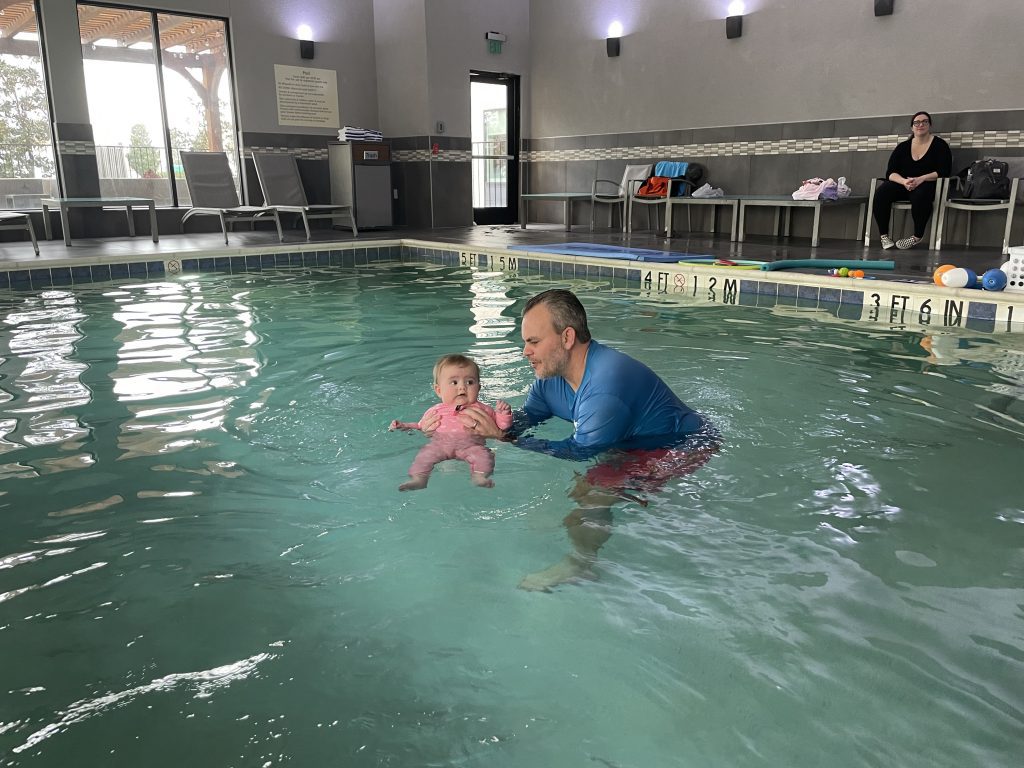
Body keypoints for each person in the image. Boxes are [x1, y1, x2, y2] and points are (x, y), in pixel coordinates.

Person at [453, 289, 719, 590]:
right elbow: (528, 419)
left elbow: (579, 451)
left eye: (534, 342)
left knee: (591, 492)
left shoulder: (605, 387)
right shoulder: (549, 380)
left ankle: (581, 566)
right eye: (525, 342)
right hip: (630, 441)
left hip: (681, 445)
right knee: (587, 487)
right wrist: (478, 429)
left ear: (567, 338)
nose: (525, 352)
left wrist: (506, 440)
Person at [390, 353, 512, 491]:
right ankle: (419, 479)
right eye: (454, 382)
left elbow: (501, 427)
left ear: (479, 388)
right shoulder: (435, 410)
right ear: (438, 390)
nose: (462, 387)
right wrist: (404, 425)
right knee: (424, 456)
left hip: (472, 446)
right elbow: (420, 426)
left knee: (484, 456)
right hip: (440, 446)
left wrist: (504, 414)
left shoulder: (483, 409)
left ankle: (479, 477)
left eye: (470, 382)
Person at [871, 110, 953, 250]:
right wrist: (904, 181)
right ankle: (884, 236)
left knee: (920, 195)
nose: (920, 124)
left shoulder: (940, 145)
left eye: (924, 121)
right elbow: (890, 173)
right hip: (904, 184)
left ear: (929, 125)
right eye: (917, 122)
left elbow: (944, 171)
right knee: (882, 192)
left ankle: (917, 236)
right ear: (912, 127)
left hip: (927, 184)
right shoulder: (903, 147)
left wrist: (921, 179)